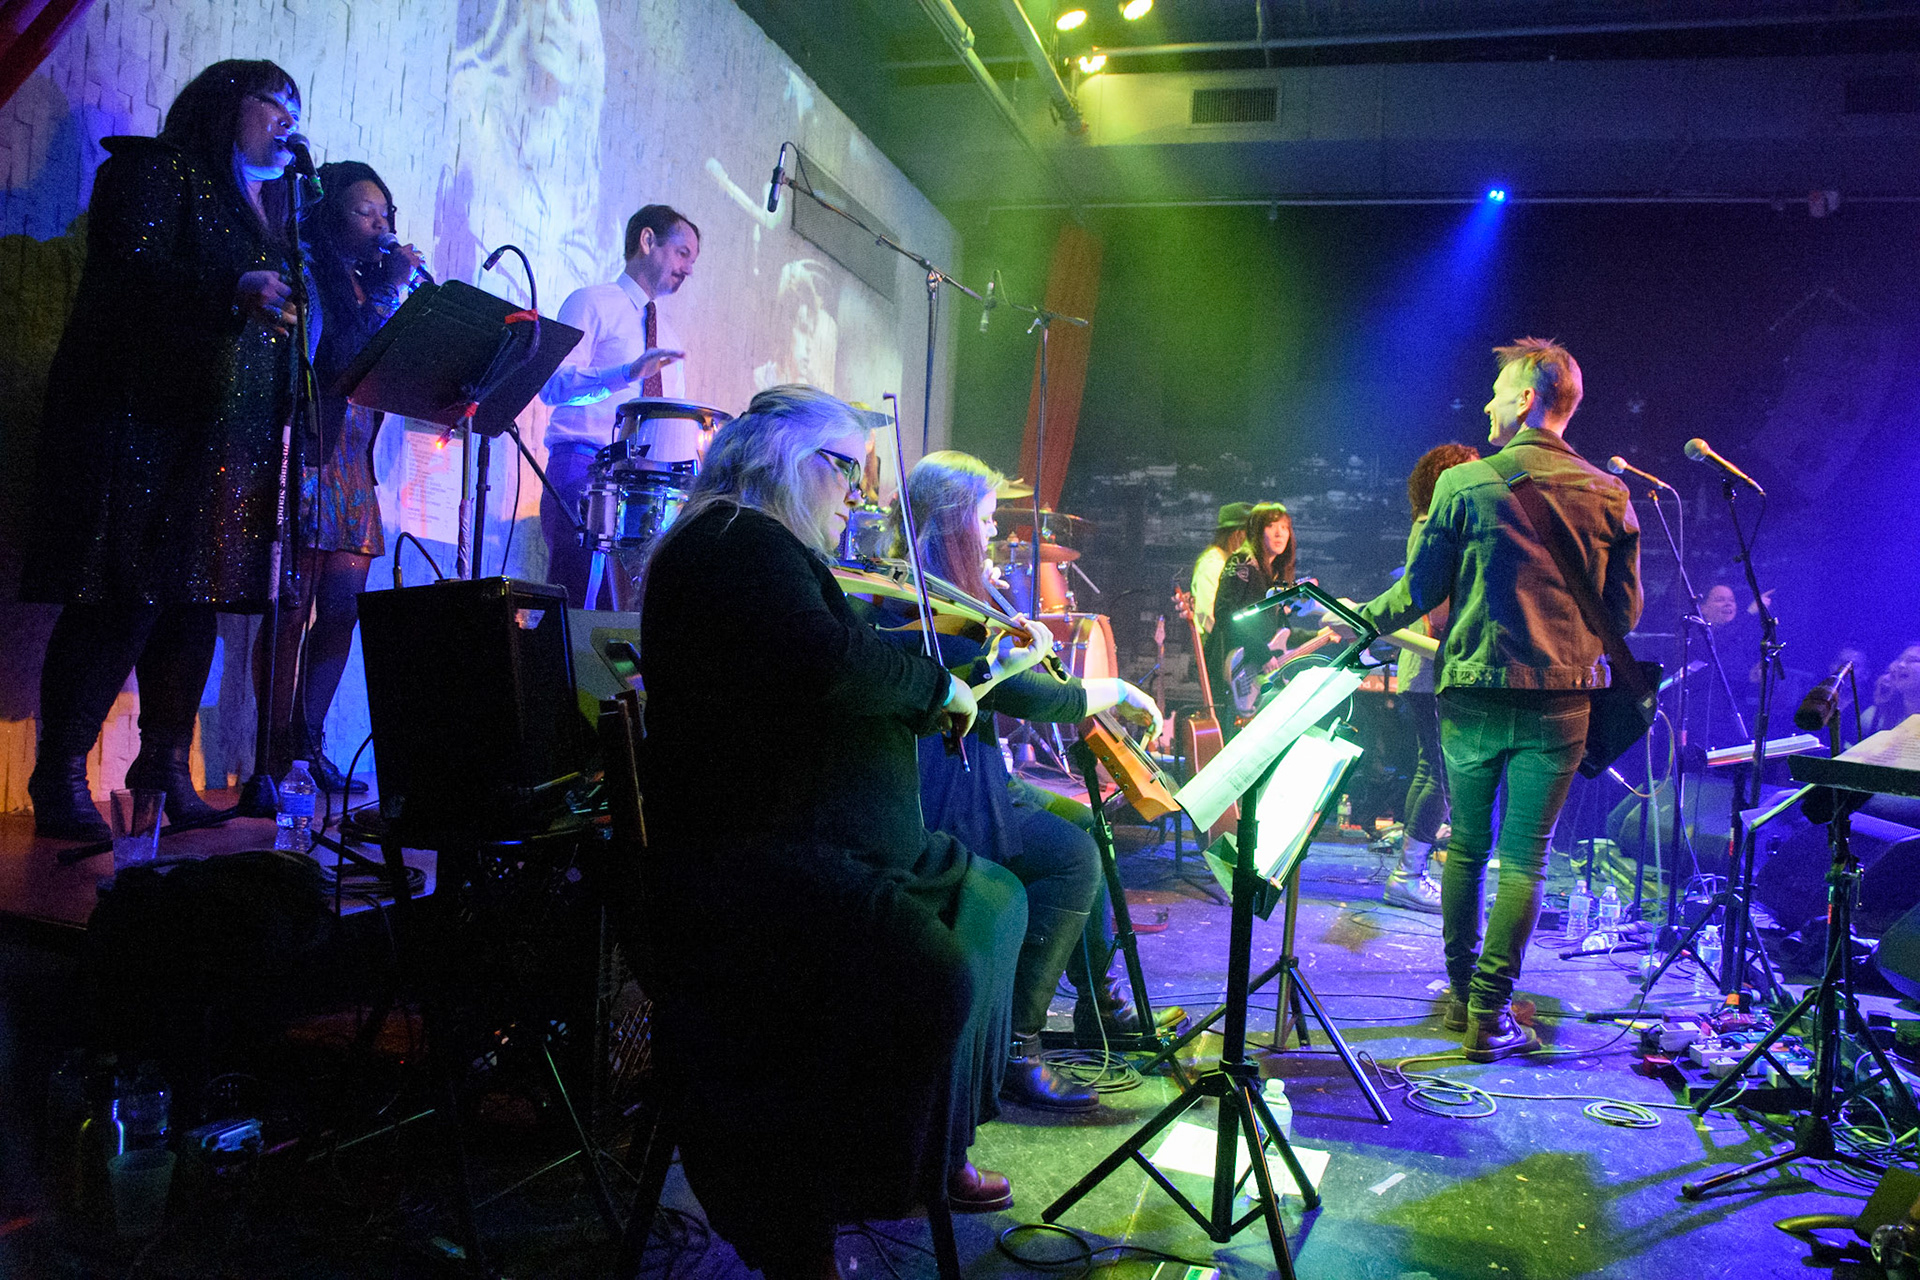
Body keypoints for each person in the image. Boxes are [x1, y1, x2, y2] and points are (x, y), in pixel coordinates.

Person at [633, 387, 1039, 1275]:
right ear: (784, 458)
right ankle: (829, 1194)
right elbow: (828, 660)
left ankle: (929, 1152)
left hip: (827, 840)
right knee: (935, 973)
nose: (857, 492)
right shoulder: (734, 541)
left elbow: (833, 659)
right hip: (762, 858)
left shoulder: (765, 547)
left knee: (999, 899)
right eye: (845, 468)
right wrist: (936, 688)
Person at [24, 60, 307, 840]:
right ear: (224, 104)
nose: (290, 122)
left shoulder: (274, 211)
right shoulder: (156, 169)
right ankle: (59, 775)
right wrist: (231, 288)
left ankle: (164, 770)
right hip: (142, 425)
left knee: (194, 604)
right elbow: (130, 276)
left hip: (226, 438)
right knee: (123, 598)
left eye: (298, 110)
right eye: (275, 103)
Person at [1353, 338, 1641, 1062]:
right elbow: (1624, 614)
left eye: (1497, 390)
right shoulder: (1609, 494)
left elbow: (1418, 594)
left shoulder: (1463, 485)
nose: (1486, 403)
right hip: (1561, 702)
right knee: (1525, 863)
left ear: (1526, 399)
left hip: (1474, 695)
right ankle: (1489, 1014)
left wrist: (1354, 621)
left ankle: (1461, 994)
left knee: (1467, 850)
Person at [889, 450, 1177, 1112]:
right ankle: (1017, 1047)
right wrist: (1116, 689)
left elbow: (1008, 679)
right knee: (1074, 856)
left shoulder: (955, 597)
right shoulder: (926, 609)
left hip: (986, 773)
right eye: (987, 519)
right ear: (954, 522)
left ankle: (1100, 1006)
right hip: (947, 791)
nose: (996, 531)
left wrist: (1011, 634)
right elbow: (1035, 698)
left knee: (1085, 824)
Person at [252, 160, 424, 792]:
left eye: (385, 213)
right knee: (291, 611)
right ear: (331, 216)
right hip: (310, 454)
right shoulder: (309, 272)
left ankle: (309, 747)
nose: (380, 224)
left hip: (355, 464)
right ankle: (272, 756)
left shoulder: (370, 284)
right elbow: (339, 362)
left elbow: (394, 367)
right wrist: (386, 293)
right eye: (364, 211)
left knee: (342, 611)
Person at [538, 204, 698, 609]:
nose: (688, 270)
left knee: (622, 612)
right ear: (647, 240)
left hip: (646, 490)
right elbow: (553, 386)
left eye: (693, 261)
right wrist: (626, 373)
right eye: (682, 253)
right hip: (582, 467)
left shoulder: (669, 338)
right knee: (573, 601)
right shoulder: (591, 302)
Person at [1383, 442, 1481, 914]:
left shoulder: (1425, 524)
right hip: (1433, 669)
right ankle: (1408, 876)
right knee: (1442, 776)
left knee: (1431, 769)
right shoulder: (1433, 528)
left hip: (1422, 671)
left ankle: (1409, 870)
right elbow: (1438, 613)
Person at [1209, 502, 1328, 721]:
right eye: (1271, 526)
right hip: (1233, 668)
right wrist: (1261, 653)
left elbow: (1277, 634)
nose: (1279, 533)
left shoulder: (1277, 576)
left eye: (1284, 527)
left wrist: (1320, 635)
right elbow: (1225, 614)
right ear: (1257, 530)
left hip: (1256, 672)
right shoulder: (1242, 562)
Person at [1189, 501, 1252, 639]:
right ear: (1237, 534)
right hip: (1217, 645)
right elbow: (1208, 615)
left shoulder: (1236, 563)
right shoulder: (1212, 563)